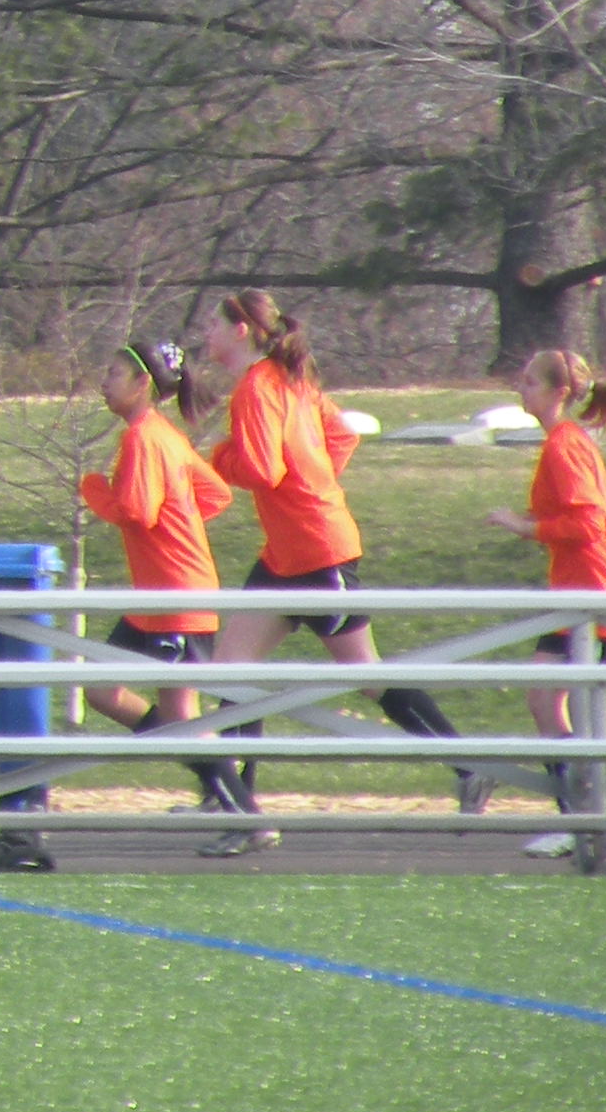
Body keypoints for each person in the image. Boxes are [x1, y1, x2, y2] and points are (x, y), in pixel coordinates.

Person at [196, 289, 479, 852]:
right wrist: (317, 482)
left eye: (214, 324)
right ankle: (242, 810)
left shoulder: (258, 386)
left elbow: (259, 467)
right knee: (231, 668)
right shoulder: (289, 378)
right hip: (287, 553)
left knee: (367, 675)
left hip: (316, 551)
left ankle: (469, 764)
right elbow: (341, 436)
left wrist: (216, 456)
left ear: (242, 331)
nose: (206, 334)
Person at [484, 349, 606, 861]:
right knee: (553, 701)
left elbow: (592, 524)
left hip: (596, 596)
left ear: (559, 391)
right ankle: (576, 819)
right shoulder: (568, 441)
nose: (521, 388)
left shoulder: (565, 444)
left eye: (531, 381)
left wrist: (526, 526)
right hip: (581, 592)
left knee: (591, 717)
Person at [72, 338, 251, 822]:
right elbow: (214, 495)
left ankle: (241, 810)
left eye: (112, 374)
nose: (104, 383)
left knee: (178, 714)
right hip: (157, 596)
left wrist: (94, 491)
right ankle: (216, 779)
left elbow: (136, 510)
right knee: (103, 692)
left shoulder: (144, 438)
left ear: (141, 384)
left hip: (177, 595)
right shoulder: (163, 435)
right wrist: (182, 519)